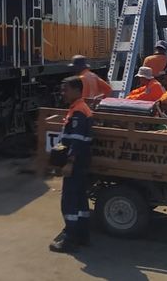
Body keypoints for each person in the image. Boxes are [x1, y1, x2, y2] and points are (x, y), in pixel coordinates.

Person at [50, 76, 93, 253]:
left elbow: (76, 140)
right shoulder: (79, 108)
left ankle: (70, 238)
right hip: (82, 162)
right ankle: (82, 235)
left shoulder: (78, 112)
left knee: (69, 201)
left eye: (65, 89)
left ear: (76, 90)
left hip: (76, 162)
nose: (63, 93)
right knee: (81, 200)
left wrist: (69, 162)